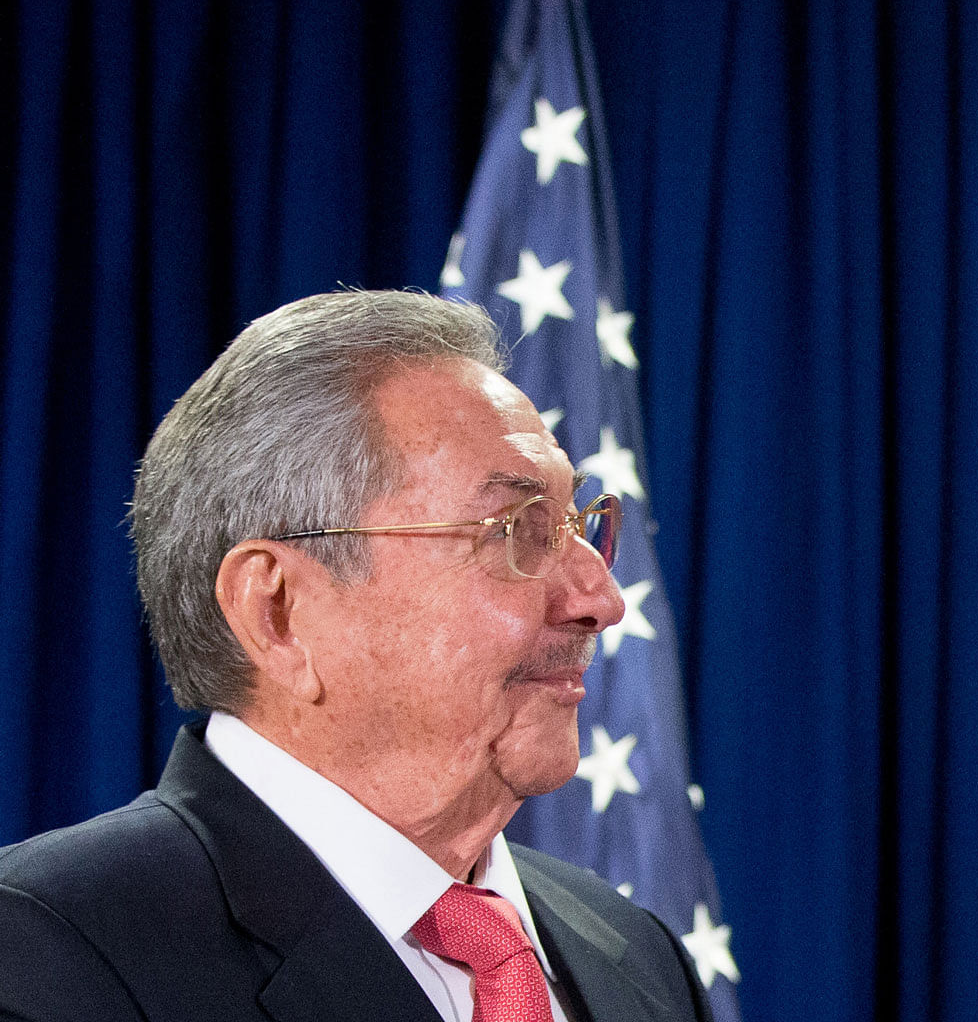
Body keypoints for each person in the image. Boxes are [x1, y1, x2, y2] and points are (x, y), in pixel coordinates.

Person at [0, 291, 711, 1021]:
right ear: (277, 611)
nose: (600, 597)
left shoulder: (637, 956)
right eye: (513, 530)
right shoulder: (45, 959)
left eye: (578, 524)